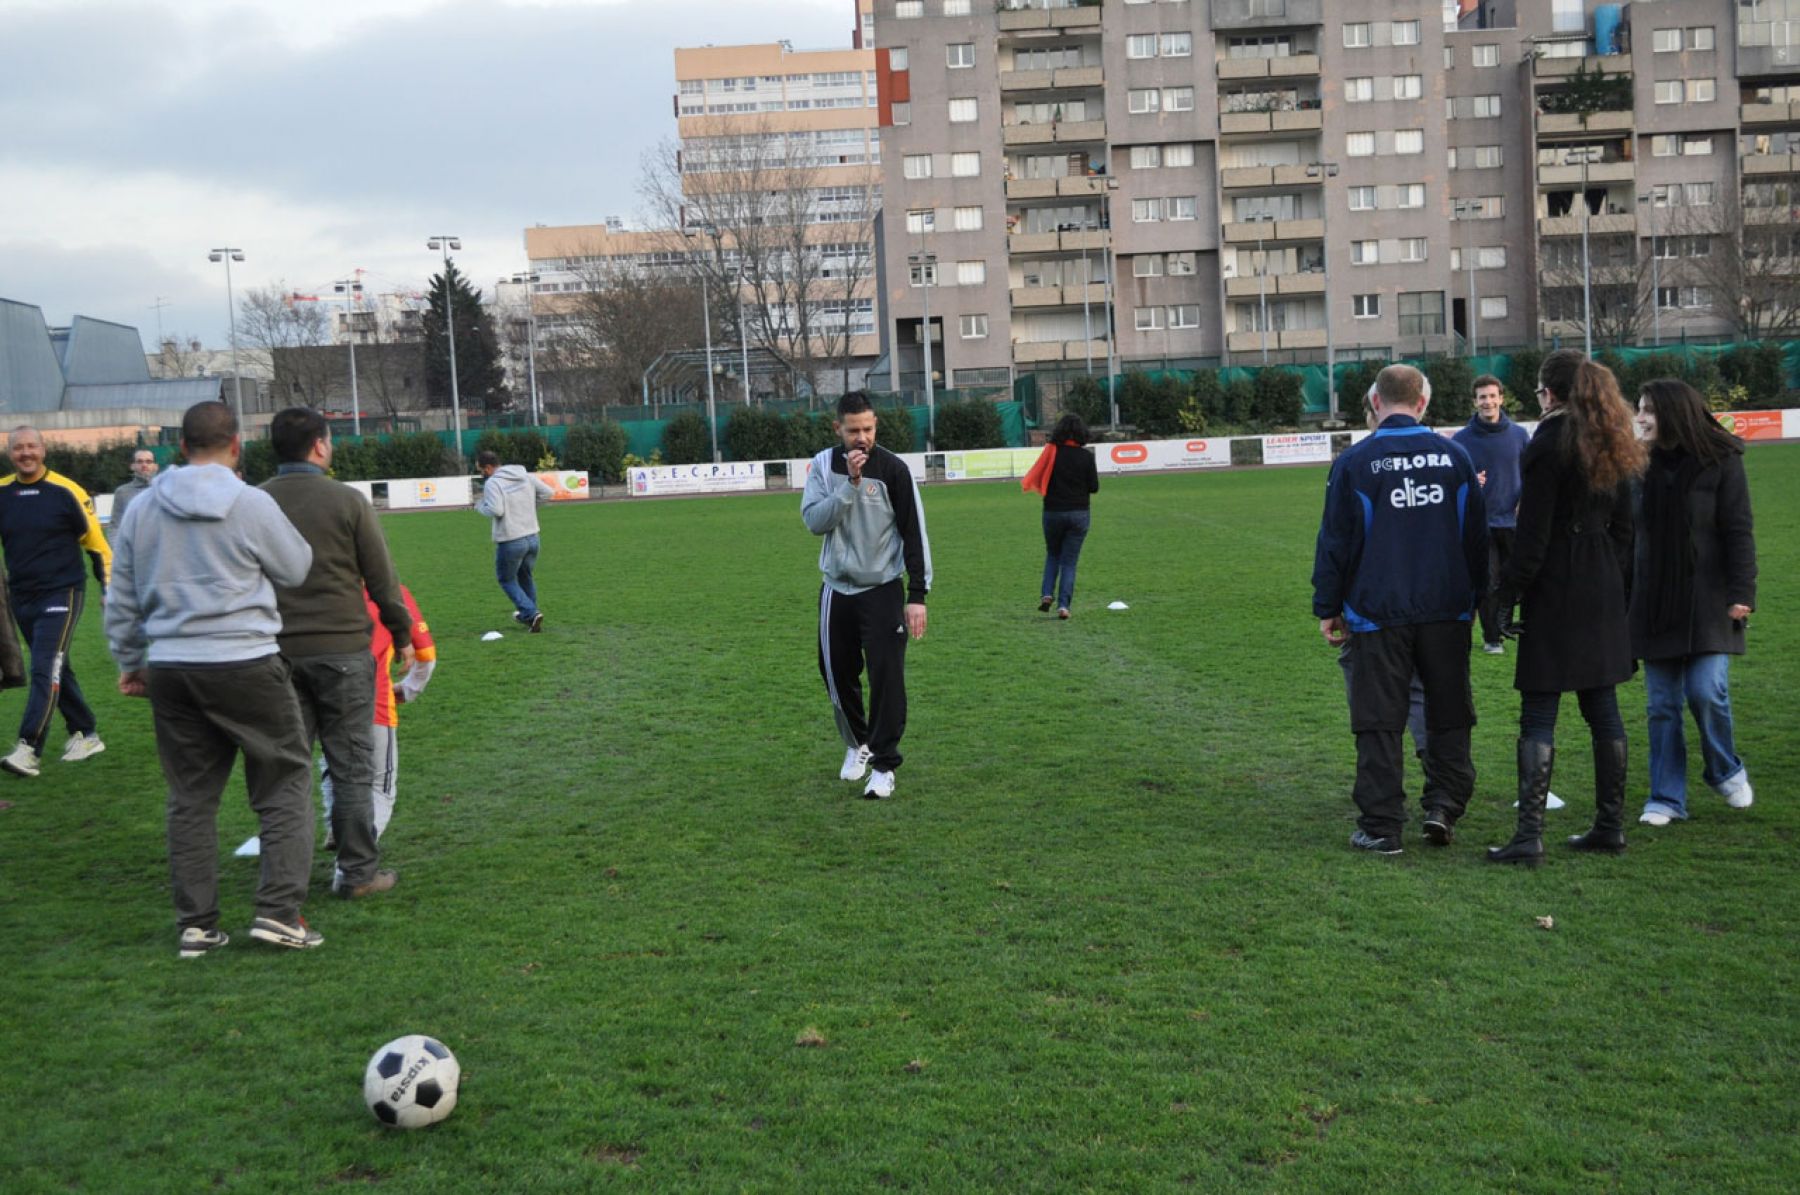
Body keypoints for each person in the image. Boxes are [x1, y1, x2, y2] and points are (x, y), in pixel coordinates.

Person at [103, 401, 323, 954]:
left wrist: (130, 661)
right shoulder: (251, 502)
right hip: (245, 660)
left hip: (174, 665)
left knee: (191, 798)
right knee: (283, 783)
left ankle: (196, 923)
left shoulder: (142, 509)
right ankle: (278, 912)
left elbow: (122, 595)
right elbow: (297, 567)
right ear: (236, 446)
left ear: (179, 447)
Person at [1313, 365, 1488, 854]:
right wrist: (1478, 602)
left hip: (1376, 611)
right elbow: (1477, 541)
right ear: (1423, 403)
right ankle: (1444, 806)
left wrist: (1327, 606)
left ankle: (1382, 826)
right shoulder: (1455, 456)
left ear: (1373, 402)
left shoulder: (1356, 460)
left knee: (1378, 719)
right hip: (1446, 610)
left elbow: (1335, 543)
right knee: (1449, 713)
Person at [1488, 350, 1645, 864]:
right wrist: (1611, 582)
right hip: (1600, 581)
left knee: (1539, 709)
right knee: (1603, 708)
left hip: (1557, 585)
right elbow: (1626, 531)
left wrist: (1505, 594)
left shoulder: (1547, 443)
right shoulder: (1611, 437)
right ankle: (1609, 825)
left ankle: (1529, 835)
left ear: (1550, 393)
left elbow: (1531, 538)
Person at [262, 407, 413, 898]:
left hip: (276, 653)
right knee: (351, 768)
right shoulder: (347, 500)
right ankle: (358, 875)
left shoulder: (254, 502)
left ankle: (283, 880)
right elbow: (382, 578)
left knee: (287, 769)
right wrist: (402, 632)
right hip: (344, 651)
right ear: (321, 446)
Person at [1629, 379, 1757, 826]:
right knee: (1661, 705)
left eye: (1648, 410)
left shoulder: (1721, 461)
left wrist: (1743, 592)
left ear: (1673, 413)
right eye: (1638, 408)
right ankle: (1666, 798)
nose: (1640, 417)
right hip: (1653, 599)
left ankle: (1724, 768)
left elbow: (1738, 529)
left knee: (1706, 692)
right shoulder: (1635, 465)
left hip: (1709, 599)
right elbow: (1624, 535)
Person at [802, 390, 931, 800]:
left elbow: (915, 533)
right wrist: (849, 487)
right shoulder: (823, 466)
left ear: (876, 426)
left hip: (882, 589)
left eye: (868, 429)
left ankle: (885, 765)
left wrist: (917, 594)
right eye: (853, 430)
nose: (862, 438)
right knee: (837, 675)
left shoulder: (894, 469)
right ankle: (858, 742)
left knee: (886, 676)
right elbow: (813, 521)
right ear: (837, 428)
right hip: (836, 589)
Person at [0, 425, 112, 778]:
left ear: (43, 450)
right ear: (10, 453)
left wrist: (108, 589)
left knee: (45, 666)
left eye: (32, 446)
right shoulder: (2, 493)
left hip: (63, 592)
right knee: (54, 665)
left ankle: (28, 748)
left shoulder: (66, 491)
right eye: (19, 448)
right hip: (21, 596)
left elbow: (97, 546)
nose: (26, 453)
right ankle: (86, 732)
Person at [320, 582, 438, 850]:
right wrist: (408, 690)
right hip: (373, 702)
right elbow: (427, 656)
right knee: (380, 785)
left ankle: (334, 827)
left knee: (332, 766)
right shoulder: (390, 591)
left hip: (323, 701)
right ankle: (352, 862)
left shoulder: (314, 590)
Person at [1453, 374, 1531, 655]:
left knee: (1518, 579)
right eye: (1482, 397)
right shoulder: (1462, 440)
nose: (1487, 402)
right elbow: (1456, 482)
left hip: (1514, 522)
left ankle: (1516, 625)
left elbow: (1533, 475)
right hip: (1481, 524)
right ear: (1475, 402)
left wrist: (1526, 499)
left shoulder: (1520, 436)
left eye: (1491, 396)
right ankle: (1492, 638)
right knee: (1488, 581)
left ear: (1501, 398)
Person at [1021, 412, 1099, 619]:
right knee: (1069, 562)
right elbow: (1094, 487)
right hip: (1079, 513)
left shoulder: (1052, 453)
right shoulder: (1086, 457)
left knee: (1053, 554)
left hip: (1053, 512)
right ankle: (1064, 606)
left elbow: (1040, 477)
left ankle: (1047, 594)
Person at [474, 450, 552, 633]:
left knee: (506, 579)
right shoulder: (524, 475)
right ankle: (531, 616)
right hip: (533, 536)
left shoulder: (493, 483)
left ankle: (531, 613)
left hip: (511, 539)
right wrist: (529, 508)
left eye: (481, 470)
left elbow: (497, 510)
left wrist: (479, 506)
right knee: (525, 575)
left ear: (488, 467)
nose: (481, 475)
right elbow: (548, 493)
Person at [110, 448, 159, 530]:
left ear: (155, 466)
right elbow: (115, 525)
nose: (144, 465)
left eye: (149, 462)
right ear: (132, 466)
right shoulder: (122, 492)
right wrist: (115, 543)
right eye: (140, 462)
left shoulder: (165, 490)